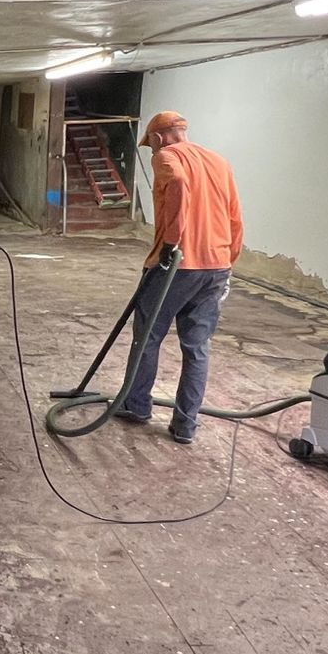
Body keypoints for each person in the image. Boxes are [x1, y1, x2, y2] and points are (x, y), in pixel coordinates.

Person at [114, 110, 243, 444]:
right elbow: (235, 216)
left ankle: (137, 406)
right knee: (197, 347)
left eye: (151, 144)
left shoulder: (165, 156)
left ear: (157, 138)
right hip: (216, 265)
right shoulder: (219, 161)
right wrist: (227, 260)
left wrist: (172, 242)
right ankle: (185, 425)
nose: (152, 150)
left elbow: (181, 185)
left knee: (148, 336)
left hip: (177, 265)